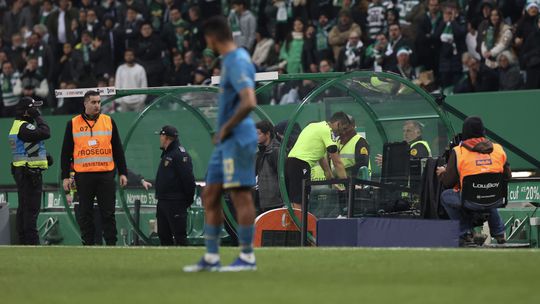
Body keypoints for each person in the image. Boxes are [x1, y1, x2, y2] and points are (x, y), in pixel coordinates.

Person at [183, 16, 258, 272]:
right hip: (224, 142)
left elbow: (249, 101)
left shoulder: (237, 61)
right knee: (210, 195)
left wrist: (225, 127)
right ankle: (212, 258)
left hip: (237, 139)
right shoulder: (228, 62)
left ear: (212, 38)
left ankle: (247, 257)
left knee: (240, 195)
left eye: (207, 40)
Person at [60, 90, 128, 246]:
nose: (97, 105)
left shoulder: (109, 121)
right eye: (93, 102)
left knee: (108, 213)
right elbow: (65, 153)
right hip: (83, 176)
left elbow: (118, 149)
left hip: (106, 175)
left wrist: (123, 172)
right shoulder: (73, 123)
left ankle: (111, 244)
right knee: (85, 213)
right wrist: (65, 176)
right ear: (85, 103)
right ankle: (88, 244)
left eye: (99, 102)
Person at [436, 116, 510, 245]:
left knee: (446, 196)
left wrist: (443, 173)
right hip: (495, 197)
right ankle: (499, 233)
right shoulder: (498, 149)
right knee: (489, 192)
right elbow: (507, 176)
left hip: (470, 200)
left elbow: (448, 182)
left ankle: (466, 233)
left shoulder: (459, 151)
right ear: (483, 130)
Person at [286, 112, 349, 209]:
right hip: (301, 164)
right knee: (300, 200)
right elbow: (337, 162)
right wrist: (347, 186)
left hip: (290, 162)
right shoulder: (328, 131)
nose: (343, 132)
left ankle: (297, 222)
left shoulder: (314, 126)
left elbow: (320, 157)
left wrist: (330, 177)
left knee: (294, 199)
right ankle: (300, 224)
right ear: (337, 124)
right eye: (343, 128)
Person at [8, 97, 50, 245]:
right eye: (34, 109)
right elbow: (45, 132)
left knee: (24, 208)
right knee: (31, 210)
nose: (37, 111)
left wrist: (45, 158)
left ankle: (24, 241)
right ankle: (31, 242)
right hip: (29, 174)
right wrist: (38, 117)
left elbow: (28, 146)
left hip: (24, 171)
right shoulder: (24, 126)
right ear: (27, 112)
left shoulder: (18, 126)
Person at [154, 125, 195, 246]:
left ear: (165, 137)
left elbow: (188, 180)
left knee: (179, 236)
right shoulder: (168, 154)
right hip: (163, 202)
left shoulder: (179, 155)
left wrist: (186, 201)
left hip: (175, 202)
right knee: (163, 235)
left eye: (161, 136)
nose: (160, 139)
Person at [255, 120, 282, 214]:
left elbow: (283, 176)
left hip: (276, 203)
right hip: (263, 202)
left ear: (267, 134)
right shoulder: (260, 153)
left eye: (258, 134)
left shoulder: (276, 151)